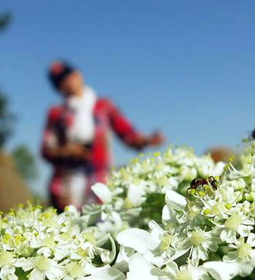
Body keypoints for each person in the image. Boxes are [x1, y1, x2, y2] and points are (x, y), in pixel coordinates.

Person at [41, 60, 164, 210]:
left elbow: (127, 133)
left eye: (68, 76)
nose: (67, 83)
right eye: (59, 82)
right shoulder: (56, 113)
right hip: (66, 188)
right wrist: (66, 151)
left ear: (78, 74)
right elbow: (46, 149)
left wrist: (147, 140)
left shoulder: (104, 106)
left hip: (100, 180)